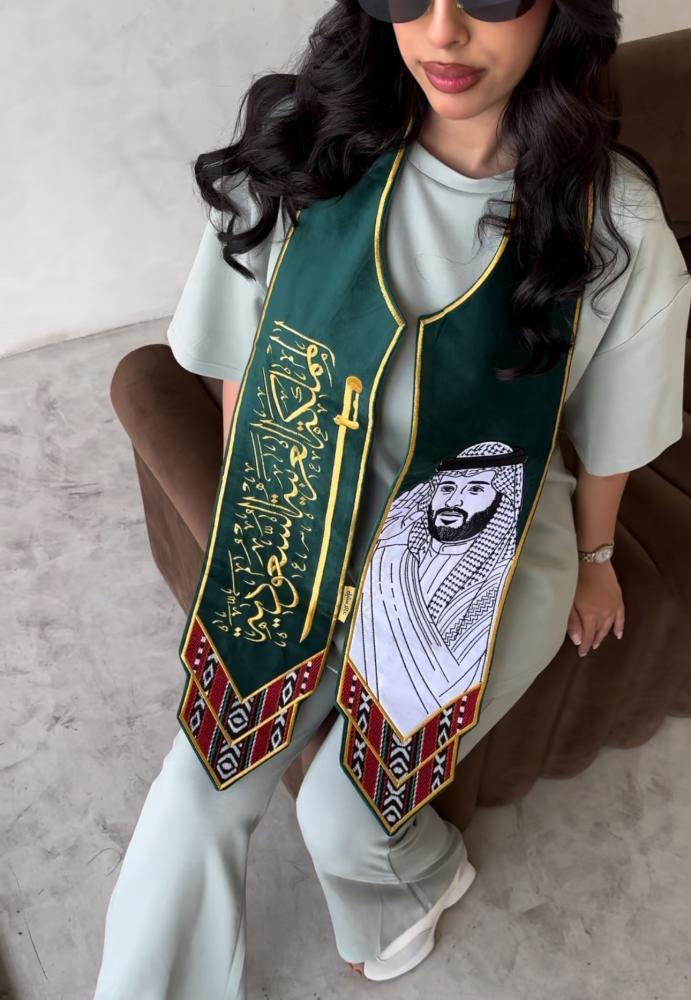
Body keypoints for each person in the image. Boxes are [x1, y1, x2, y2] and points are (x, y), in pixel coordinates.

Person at [93, 1, 691, 996]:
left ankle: (416, 882)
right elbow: (247, 368)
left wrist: (594, 562)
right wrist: (261, 520)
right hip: (303, 507)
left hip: (481, 540)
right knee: (197, 787)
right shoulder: (304, 153)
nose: (440, 32)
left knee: (342, 808)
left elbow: (613, 430)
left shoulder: (610, 219)